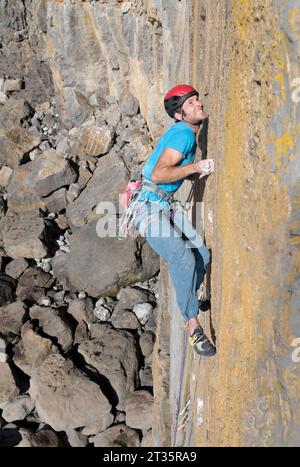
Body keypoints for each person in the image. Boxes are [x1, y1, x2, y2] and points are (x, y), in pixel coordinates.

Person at [133, 84, 216, 357]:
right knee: (182, 257)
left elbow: (173, 171)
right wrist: (196, 167)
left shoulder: (184, 133)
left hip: (160, 205)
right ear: (180, 115)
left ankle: (189, 297)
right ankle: (193, 326)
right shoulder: (183, 134)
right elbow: (159, 174)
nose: (198, 104)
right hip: (150, 208)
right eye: (190, 103)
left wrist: (192, 173)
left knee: (201, 255)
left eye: (197, 99)